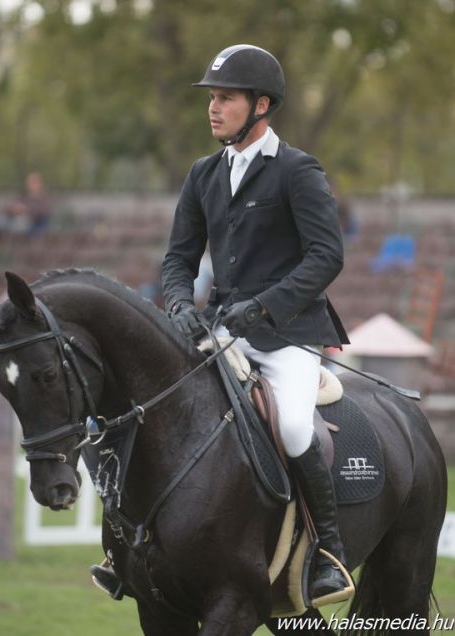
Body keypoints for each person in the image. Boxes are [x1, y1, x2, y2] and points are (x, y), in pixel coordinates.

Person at [161, 44, 351, 603]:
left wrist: (265, 306)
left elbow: (326, 256)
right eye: (211, 98)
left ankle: (328, 552)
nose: (213, 108)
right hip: (222, 330)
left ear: (261, 105)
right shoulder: (202, 174)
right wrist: (179, 305)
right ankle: (134, 543)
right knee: (163, 406)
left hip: (287, 333)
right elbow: (178, 259)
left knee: (292, 427)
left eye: (226, 98)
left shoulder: (297, 170)